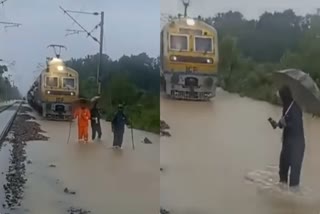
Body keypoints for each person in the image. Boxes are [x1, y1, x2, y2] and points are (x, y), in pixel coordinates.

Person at [268, 86, 305, 190]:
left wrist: (286, 124)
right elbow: (281, 124)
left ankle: (294, 200)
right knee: (282, 171)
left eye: (281, 96)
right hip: (287, 144)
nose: (280, 99)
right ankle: (282, 196)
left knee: (294, 179)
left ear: (285, 96)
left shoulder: (295, 108)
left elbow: (296, 125)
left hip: (297, 146)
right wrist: (276, 124)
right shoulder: (286, 107)